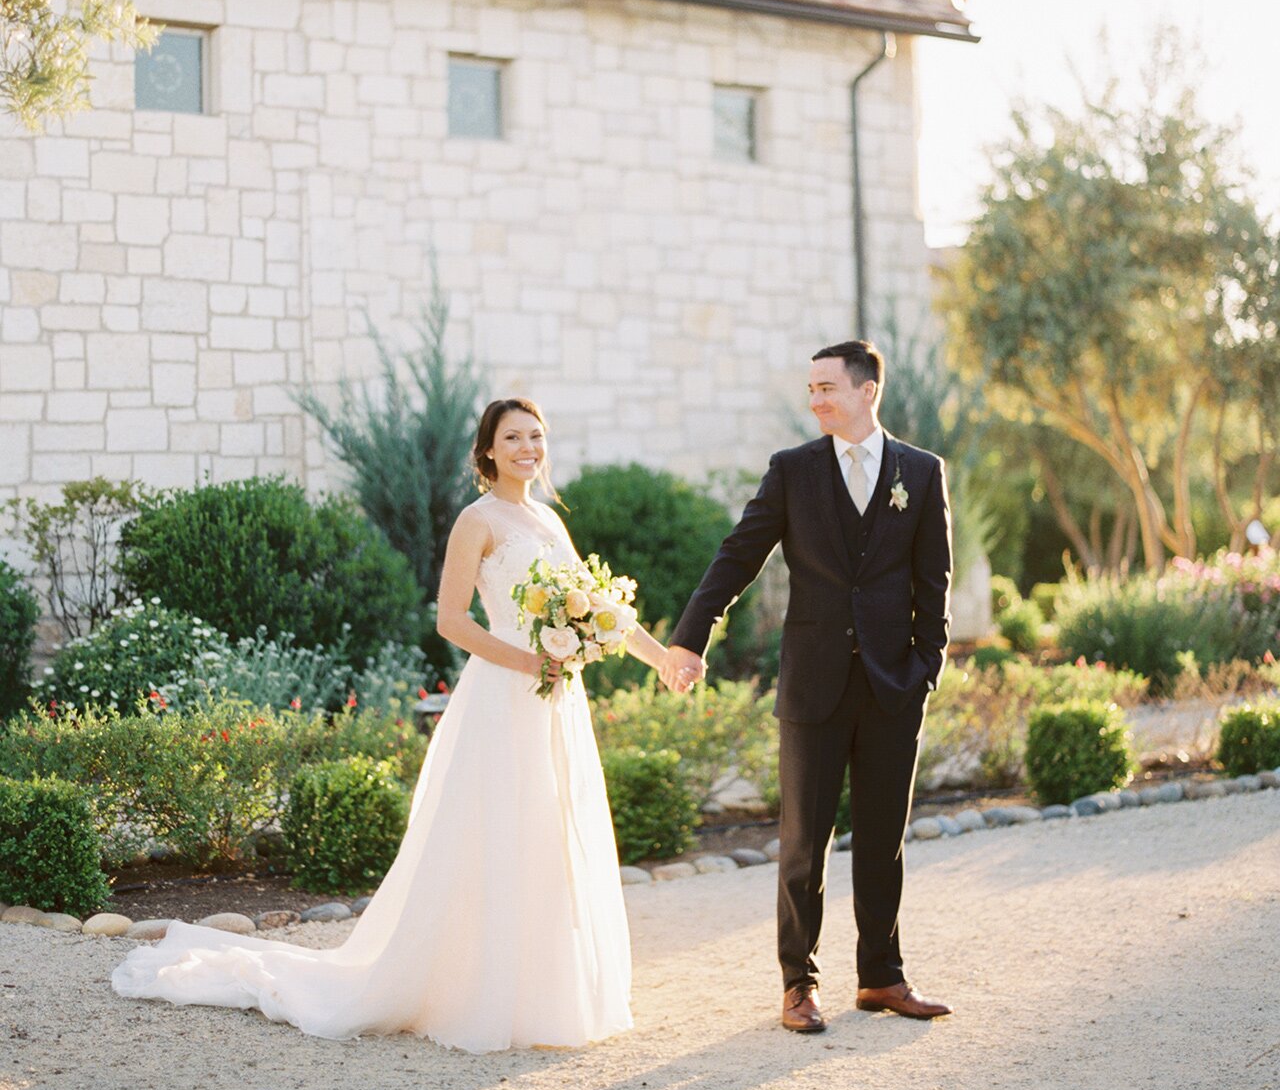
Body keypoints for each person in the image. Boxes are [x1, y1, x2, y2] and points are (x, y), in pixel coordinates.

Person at [113, 397, 671, 1052]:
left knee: (549, 833)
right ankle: (476, 991)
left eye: (537, 435)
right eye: (513, 436)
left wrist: (663, 658)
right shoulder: (477, 519)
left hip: (555, 700)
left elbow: (598, 608)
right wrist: (531, 659)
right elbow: (451, 620)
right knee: (493, 834)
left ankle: (546, 991)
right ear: (488, 450)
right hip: (505, 693)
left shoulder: (549, 518)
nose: (528, 447)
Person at [662, 340, 953, 1032]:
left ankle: (882, 977)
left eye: (828, 386)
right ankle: (800, 984)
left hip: (892, 686)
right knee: (803, 843)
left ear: (867, 390)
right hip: (814, 685)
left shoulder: (922, 470)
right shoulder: (792, 472)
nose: (816, 399)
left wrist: (926, 669)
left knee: (884, 841)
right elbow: (740, 554)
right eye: (811, 388)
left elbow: (933, 580)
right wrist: (689, 635)